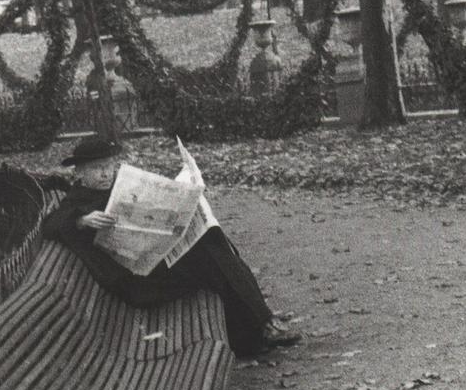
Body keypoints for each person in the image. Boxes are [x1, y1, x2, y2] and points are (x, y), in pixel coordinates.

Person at [41, 135, 300, 356]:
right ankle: (258, 329)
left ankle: (255, 330)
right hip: (137, 280)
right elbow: (50, 225)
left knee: (210, 240)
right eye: (97, 168)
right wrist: (82, 221)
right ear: (80, 172)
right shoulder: (76, 201)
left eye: (110, 165)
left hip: (155, 262)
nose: (106, 173)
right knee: (211, 260)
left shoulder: (119, 185)